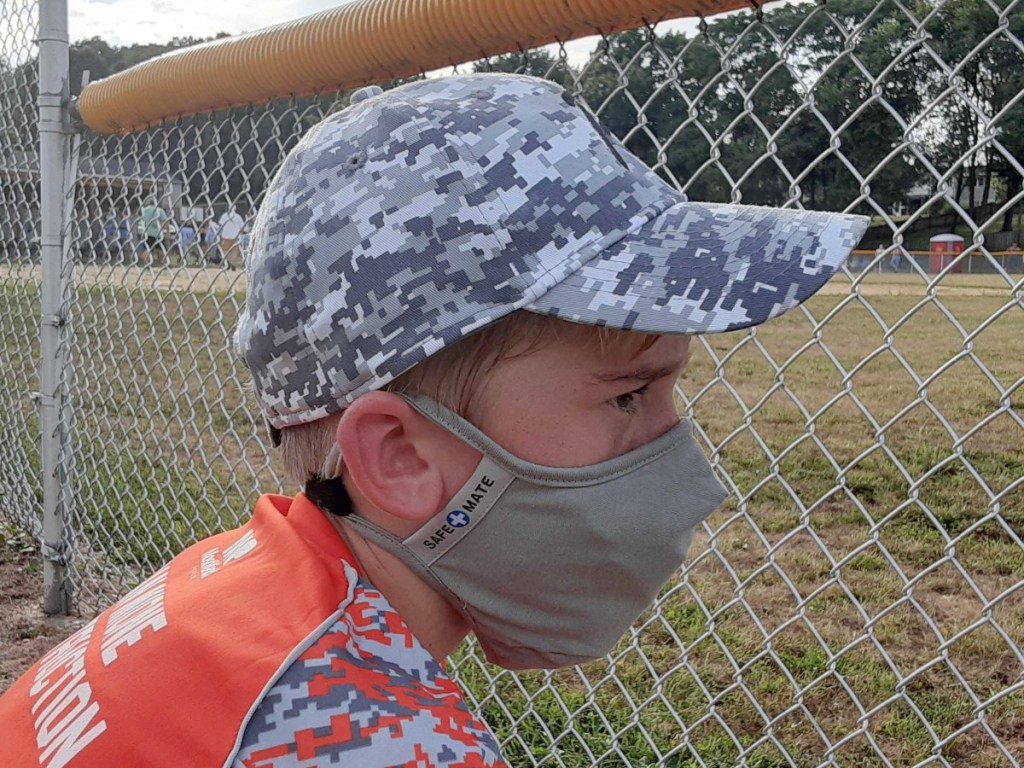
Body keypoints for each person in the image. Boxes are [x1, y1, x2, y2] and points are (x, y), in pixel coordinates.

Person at [0, 75, 868, 766]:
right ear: (398, 456)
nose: (684, 462)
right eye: (628, 397)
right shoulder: (378, 740)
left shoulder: (230, 593)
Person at [139, 197, 171, 263]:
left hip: (147, 232)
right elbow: (165, 222)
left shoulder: (144, 210)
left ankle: (145, 261)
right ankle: (162, 261)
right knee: (162, 249)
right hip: (158, 233)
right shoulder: (159, 210)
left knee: (148, 248)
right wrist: (168, 232)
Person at [217, 204, 245, 269]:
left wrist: (220, 234)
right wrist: (240, 234)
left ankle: (227, 263)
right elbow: (242, 227)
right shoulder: (238, 217)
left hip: (226, 236)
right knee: (235, 251)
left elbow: (220, 225)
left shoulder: (224, 216)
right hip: (236, 236)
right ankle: (233, 264)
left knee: (225, 250)